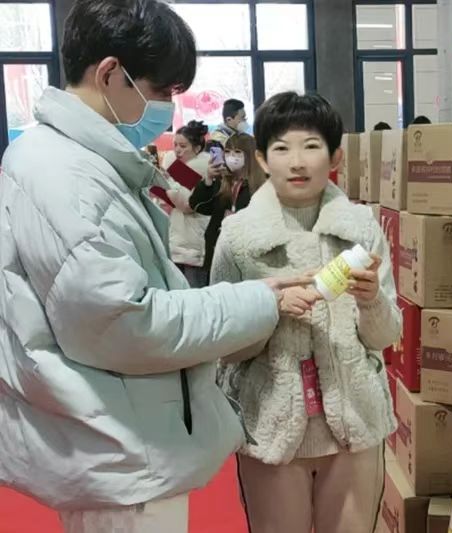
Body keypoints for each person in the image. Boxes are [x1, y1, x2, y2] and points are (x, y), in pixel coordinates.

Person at [0, 1, 310, 531]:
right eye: (162, 90)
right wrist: (259, 301)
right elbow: (126, 322)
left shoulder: (75, 162)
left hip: (118, 437)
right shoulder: (68, 175)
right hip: (120, 453)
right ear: (110, 74)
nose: (168, 106)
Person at [212, 91, 400, 533]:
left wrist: (371, 299)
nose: (297, 162)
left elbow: (385, 335)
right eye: (281, 148)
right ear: (262, 159)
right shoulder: (237, 237)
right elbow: (224, 344)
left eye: (311, 146)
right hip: (270, 425)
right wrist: (269, 310)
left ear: (334, 156)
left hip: (354, 422)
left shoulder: (361, 229)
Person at [190, 132, 265, 275]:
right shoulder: (222, 182)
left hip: (247, 256)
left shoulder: (260, 186)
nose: (231, 156)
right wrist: (208, 180)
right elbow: (198, 206)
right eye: (228, 152)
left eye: (237, 152)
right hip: (217, 250)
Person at [161, 120, 212, 286]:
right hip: (180, 238)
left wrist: (166, 181)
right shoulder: (178, 167)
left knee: (195, 290)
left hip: (194, 241)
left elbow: (185, 203)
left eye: (183, 146)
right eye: (175, 145)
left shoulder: (201, 167)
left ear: (197, 148)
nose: (177, 150)